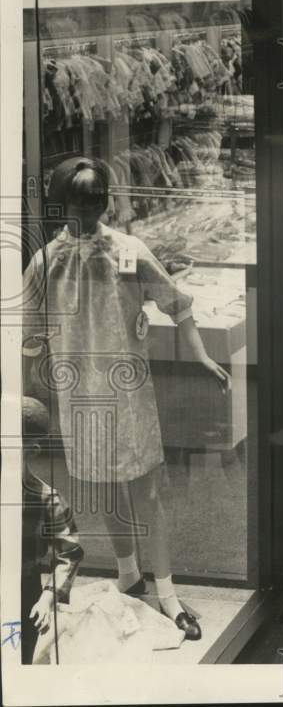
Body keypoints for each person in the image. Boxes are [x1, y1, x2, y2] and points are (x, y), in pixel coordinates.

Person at [21, 156, 231, 641]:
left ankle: (168, 593)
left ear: (105, 201)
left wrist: (199, 355)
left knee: (148, 492)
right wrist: (30, 381)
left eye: (95, 201)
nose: (88, 210)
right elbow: (28, 334)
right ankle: (129, 577)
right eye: (79, 202)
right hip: (79, 396)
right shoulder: (46, 262)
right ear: (62, 204)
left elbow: (176, 304)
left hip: (129, 390)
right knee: (108, 490)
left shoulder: (128, 250)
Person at [20, 396, 84, 664]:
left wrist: (47, 598)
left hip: (24, 592)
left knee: (18, 657)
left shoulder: (47, 499)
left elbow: (69, 553)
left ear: (31, 450)